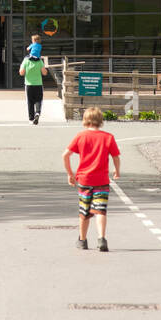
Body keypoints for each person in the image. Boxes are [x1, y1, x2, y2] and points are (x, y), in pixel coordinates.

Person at [63, 107, 121, 252]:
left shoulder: (81, 136)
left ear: (85, 120)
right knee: (100, 211)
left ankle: (82, 240)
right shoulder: (108, 137)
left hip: (84, 180)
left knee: (84, 212)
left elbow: (65, 155)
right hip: (102, 180)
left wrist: (70, 173)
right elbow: (115, 157)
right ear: (100, 121)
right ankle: (102, 239)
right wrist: (117, 170)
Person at [19, 52, 48, 124]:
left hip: (29, 85)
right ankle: (37, 113)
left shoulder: (26, 60)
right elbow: (44, 73)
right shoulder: (39, 61)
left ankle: (31, 118)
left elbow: (21, 72)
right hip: (38, 84)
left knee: (30, 101)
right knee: (38, 100)